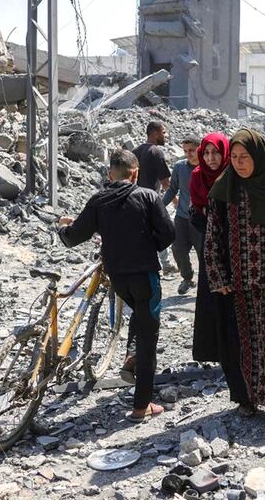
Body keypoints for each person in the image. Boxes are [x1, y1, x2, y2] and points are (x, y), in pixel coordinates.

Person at [58, 149, 176, 423]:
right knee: (149, 336)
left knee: (139, 314)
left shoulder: (98, 200)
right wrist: (149, 245)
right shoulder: (148, 196)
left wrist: (62, 227)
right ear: (135, 174)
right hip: (145, 276)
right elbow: (168, 233)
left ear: (110, 174)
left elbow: (73, 237)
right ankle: (141, 406)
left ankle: (131, 356)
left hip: (118, 279)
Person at [206, 130, 265, 427]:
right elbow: (213, 235)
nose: (238, 163)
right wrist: (218, 274)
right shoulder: (224, 188)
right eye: (234, 157)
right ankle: (245, 397)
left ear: (258, 156)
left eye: (244, 157)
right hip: (236, 285)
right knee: (239, 343)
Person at [188, 132, 233, 365]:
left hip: (235, 247)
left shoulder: (234, 175)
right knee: (210, 296)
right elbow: (194, 213)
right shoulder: (198, 177)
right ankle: (211, 351)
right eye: (206, 153)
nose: (210, 158)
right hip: (210, 247)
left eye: (215, 152)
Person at [133, 121, 176, 273]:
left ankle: (151, 262)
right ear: (155, 133)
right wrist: (175, 200)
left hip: (134, 200)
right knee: (163, 228)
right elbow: (165, 181)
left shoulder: (135, 151)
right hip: (151, 200)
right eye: (163, 133)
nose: (165, 136)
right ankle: (165, 264)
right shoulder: (156, 152)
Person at [163, 137, 202, 295]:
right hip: (182, 217)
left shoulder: (208, 168)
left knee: (203, 253)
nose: (188, 154)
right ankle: (187, 278)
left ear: (200, 149)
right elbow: (172, 189)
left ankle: (207, 283)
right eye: (185, 151)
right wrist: (159, 206)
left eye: (192, 150)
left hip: (201, 219)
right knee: (178, 249)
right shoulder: (180, 167)